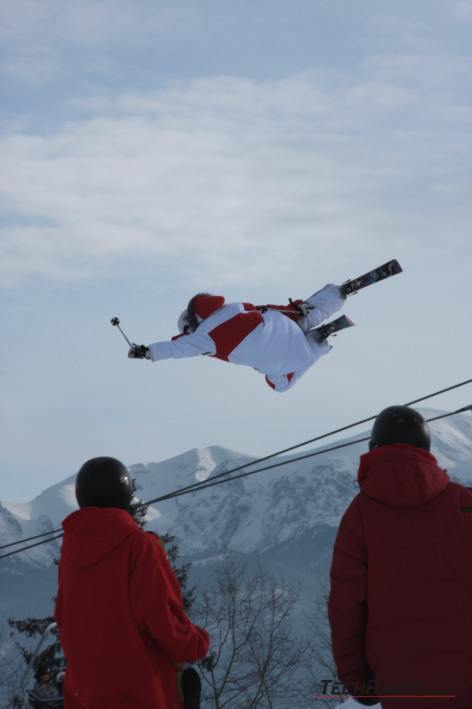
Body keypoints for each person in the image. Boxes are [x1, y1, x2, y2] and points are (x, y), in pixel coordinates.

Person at [328, 406, 472, 708]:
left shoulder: (359, 516)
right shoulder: (464, 502)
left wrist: (358, 682)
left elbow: (345, 608)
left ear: (374, 449)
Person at [55, 457, 209, 708]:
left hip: (85, 696)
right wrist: (195, 644)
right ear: (125, 494)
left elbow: (63, 617)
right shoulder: (139, 546)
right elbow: (161, 619)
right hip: (140, 695)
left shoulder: (71, 553)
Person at [127, 284, 349, 392]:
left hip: (283, 358)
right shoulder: (235, 307)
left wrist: (147, 351)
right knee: (302, 319)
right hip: (283, 326)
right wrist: (295, 309)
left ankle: (319, 345)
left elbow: (176, 349)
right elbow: (270, 310)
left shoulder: (203, 338)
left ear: (190, 326)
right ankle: (334, 295)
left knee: (279, 383)